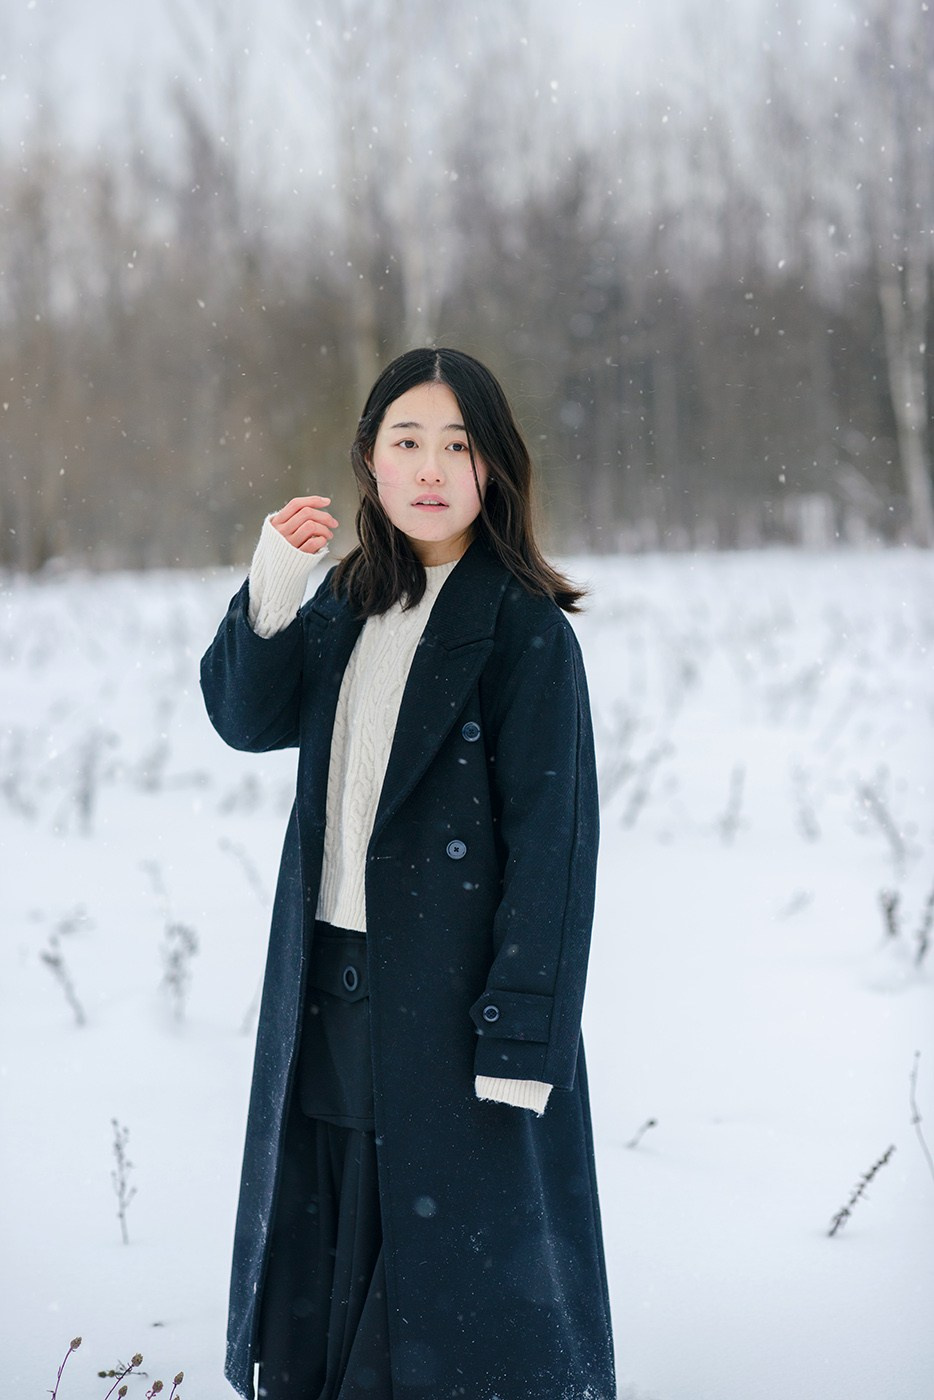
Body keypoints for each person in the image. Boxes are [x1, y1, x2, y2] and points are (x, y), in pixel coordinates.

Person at [200, 347, 616, 1400]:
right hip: (329, 1000)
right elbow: (244, 718)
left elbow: (554, 852)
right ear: (371, 463)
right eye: (406, 441)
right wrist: (275, 580)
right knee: (329, 1269)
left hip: (452, 1014)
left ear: (493, 468)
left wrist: (522, 1034)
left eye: (458, 445)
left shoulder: (521, 630)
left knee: (448, 1312)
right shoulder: (342, 603)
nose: (431, 468)